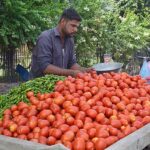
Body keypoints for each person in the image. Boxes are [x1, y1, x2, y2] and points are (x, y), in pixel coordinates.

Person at [30, 8, 93, 78]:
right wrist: (72, 73)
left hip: (60, 85)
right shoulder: (45, 37)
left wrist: (85, 70)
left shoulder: (70, 40)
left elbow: (72, 64)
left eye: (77, 27)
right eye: (73, 25)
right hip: (40, 85)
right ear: (63, 21)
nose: (75, 30)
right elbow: (45, 67)